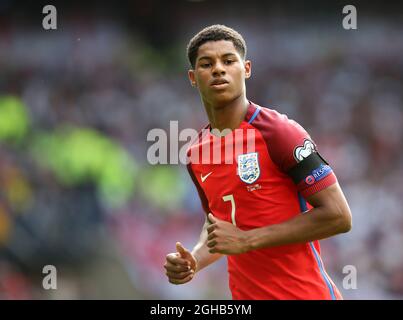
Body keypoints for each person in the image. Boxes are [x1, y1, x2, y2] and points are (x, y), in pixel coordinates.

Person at [164, 24, 352, 300]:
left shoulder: (279, 132)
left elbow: (338, 216)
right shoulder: (197, 153)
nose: (218, 69)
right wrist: (194, 259)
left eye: (228, 61)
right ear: (193, 77)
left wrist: (247, 240)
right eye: (207, 64)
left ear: (247, 69)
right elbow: (220, 223)